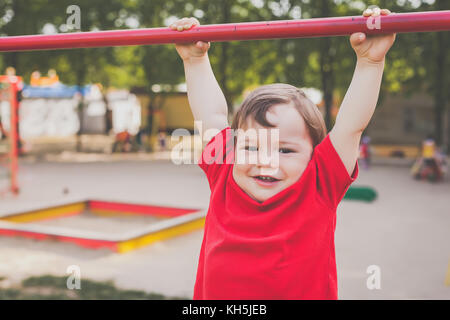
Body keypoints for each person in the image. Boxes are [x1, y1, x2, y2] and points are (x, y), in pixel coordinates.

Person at [170, 7, 396, 299]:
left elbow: (351, 126)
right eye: (251, 146)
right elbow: (212, 115)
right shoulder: (226, 171)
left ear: (315, 156)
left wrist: (370, 62)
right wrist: (194, 60)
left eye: (285, 149)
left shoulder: (319, 183)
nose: (265, 159)